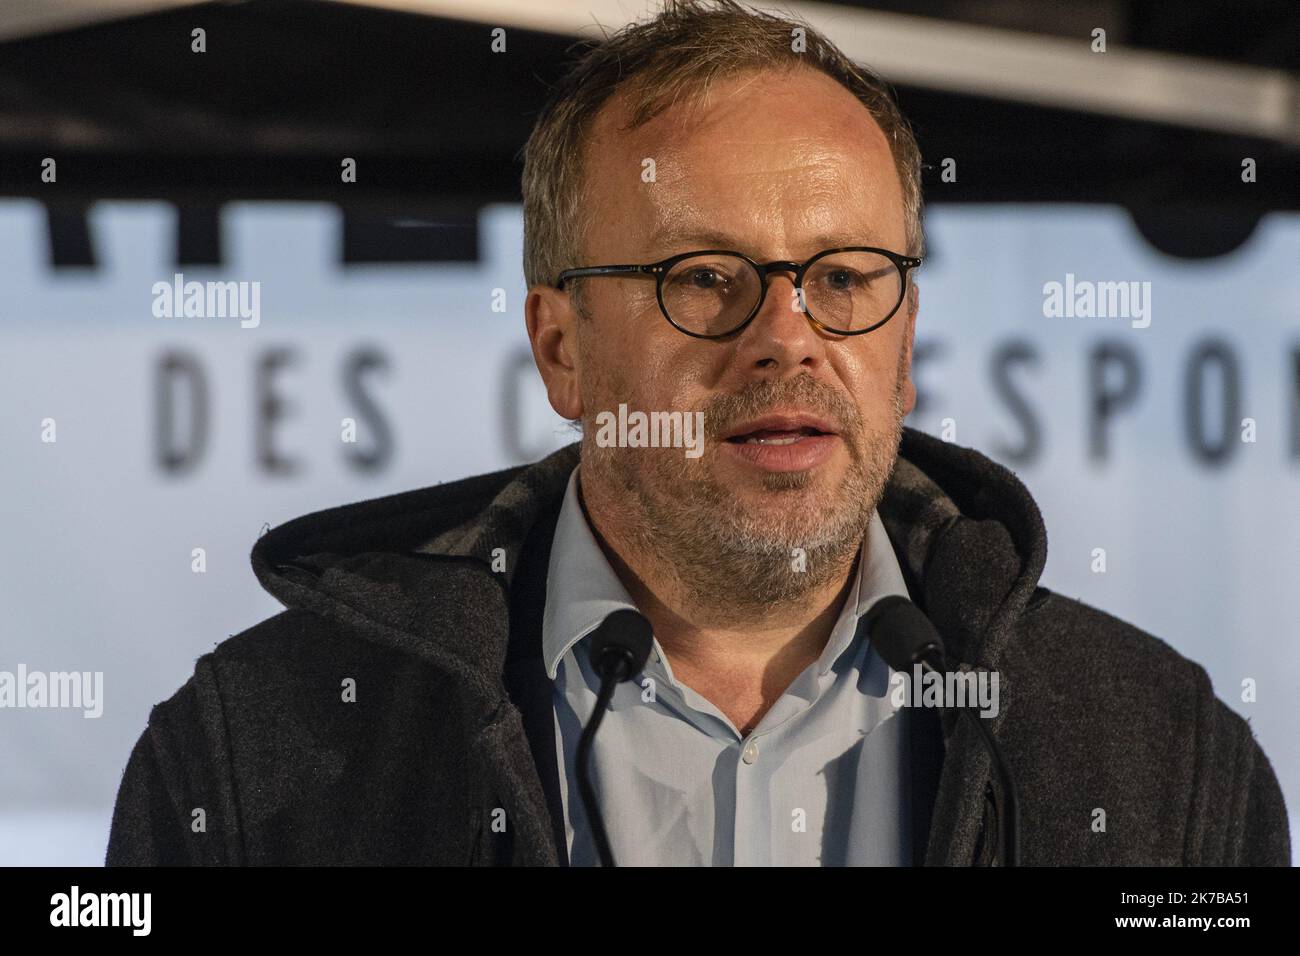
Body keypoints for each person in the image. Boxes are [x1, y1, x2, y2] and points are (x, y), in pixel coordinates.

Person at [107, 0, 1289, 866]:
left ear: (906, 335)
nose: (787, 336)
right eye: (704, 275)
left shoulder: (1157, 754)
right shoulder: (259, 748)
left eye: (843, 275)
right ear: (561, 347)